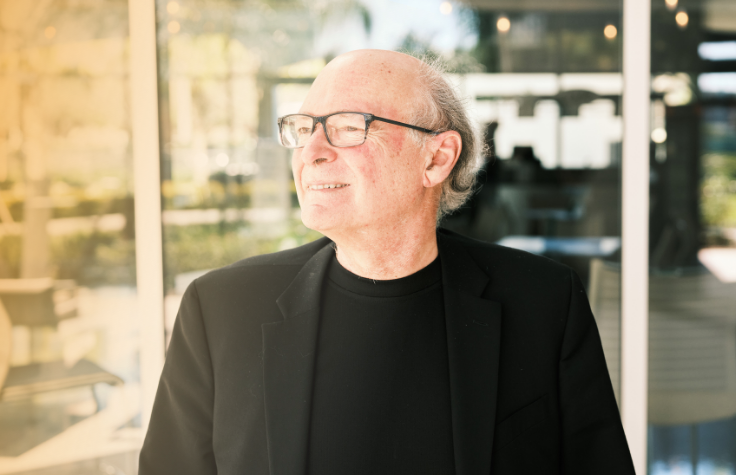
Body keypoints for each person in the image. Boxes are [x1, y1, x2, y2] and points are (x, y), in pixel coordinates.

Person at [139, 49, 635, 475]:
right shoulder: (221, 309)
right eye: (304, 129)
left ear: (437, 158)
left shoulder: (543, 303)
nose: (311, 152)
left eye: (348, 128)